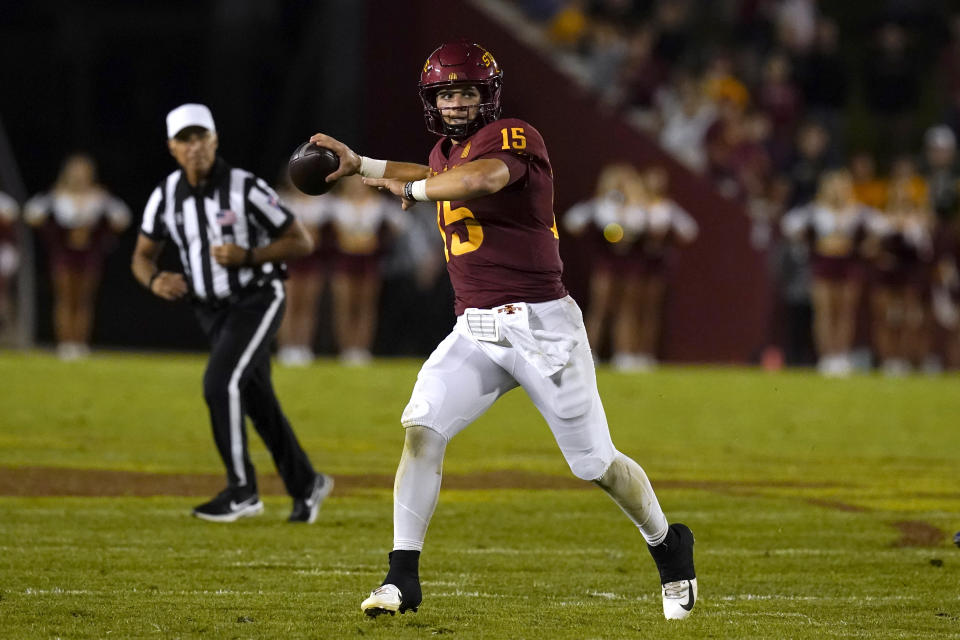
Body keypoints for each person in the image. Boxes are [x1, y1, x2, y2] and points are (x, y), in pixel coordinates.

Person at [309, 41, 697, 621]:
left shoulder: (514, 136)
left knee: (595, 464)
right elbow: (436, 172)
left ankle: (669, 546)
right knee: (422, 429)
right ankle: (401, 577)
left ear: (486, 94)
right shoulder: (444, 152)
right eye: (445, 93)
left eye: (465, 91)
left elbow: (480, 180)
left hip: (542, 327)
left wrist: (412, 191)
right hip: (476, 328)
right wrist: (363, 167)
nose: (456, 103)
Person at [131, 103, 332, 523]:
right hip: (211, 311)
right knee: (257, 400)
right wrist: (153, 281)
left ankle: (242, 490)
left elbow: (301, 241)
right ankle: (306, 482)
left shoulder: (245, 188)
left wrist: (250, 256)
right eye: (184, 139)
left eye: (200, 136)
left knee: (220, 383)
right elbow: (141, 256)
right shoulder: (166, 195)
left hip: (258, 298)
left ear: (215, 139)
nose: (194, 147)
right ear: (172, 147)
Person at [24, 154, 130, 359]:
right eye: (75, 172)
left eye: (83, 172)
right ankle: (65, 344)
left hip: (89, 253)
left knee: (84, 300)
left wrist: (102, 216)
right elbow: (31, 214)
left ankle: (80, 343)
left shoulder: (98, 197)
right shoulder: (57, 195)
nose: (79, 177)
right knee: (65, 298)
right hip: (64, 252)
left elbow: (122, 218)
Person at [781, 169, 885, 376]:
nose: (837, 190)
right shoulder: (814, 210)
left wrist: (868, 246)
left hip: (848, 263)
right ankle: (827, 356)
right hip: (823, 262)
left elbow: (882, 227)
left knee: (845, 311)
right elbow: (789, 225)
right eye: (833, 186)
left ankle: (841, 355)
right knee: (825, 311)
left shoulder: (858, 211)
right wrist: (807, 242)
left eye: (841, 186)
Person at [326, 175, 406, 365]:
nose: (355, 185)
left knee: (366, 307)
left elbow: (403, 224)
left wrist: (383, 238)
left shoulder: (379, 204)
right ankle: (346, 350)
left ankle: (361, 350)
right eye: (351, 182)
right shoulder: (335, 204)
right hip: (344, 261)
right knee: (345, 306)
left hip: (369, 261)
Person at [274, 169, 331, 367]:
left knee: (308, 306)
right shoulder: (282, 201)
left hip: (312, 260)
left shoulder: (322, 203)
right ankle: (287, 348)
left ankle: (303, 347)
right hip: (289, 258)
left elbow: (323, 234)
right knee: (289, 305)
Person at [0, 191, 19, 334]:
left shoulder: (5, 201)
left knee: (3, 294)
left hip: (3, 252)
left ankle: (8, 333)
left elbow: (10, 218)